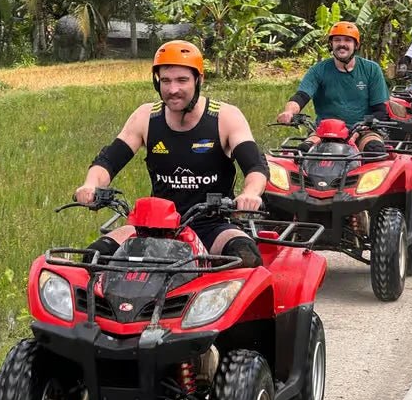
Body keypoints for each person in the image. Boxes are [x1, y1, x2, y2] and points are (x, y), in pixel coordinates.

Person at [75, 40, 268, 267]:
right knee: (94, 258)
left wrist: (251, 194)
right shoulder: (146, 116)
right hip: (153, 227)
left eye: (182, 80)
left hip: (212, 226)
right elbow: (108, 161)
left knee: (246, 256)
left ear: (199, 80)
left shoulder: (225, 117)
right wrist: (90, 185)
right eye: (165, 81)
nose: (173, 89)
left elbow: (255, 166)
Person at [277, 21, 389, 153]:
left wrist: (362, 128)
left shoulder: (371, 69)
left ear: (356, 45)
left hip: (363, 130)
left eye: (348, 40)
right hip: (325, 131)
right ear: (331, 44)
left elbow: (381, 111)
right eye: (337, 40)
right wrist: (289, 112)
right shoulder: (318, 70)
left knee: (374, 149)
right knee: (304, 151)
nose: (342, 44)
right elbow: (301, 96)